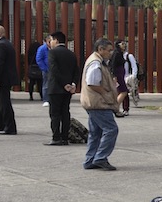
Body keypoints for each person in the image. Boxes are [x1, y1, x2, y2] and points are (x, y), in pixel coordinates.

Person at [81, 38, 120, 170]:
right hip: (99, 103)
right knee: (111, 129)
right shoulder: (96, 63)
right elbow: (92, 83)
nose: (111, 53)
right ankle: (100, 158)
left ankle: (90, 160)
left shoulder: (97, 61)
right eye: (109, 50)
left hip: (93, 103)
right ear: (100, 49)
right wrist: (105, 93)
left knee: (95, 132)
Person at [45, 31, 80, 146]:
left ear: (56, 40)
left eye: (51, 40)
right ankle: (65, 137)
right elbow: (76, 71)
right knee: (65, 112)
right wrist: (72, 84)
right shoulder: (71, 54)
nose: (50, 43)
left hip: (55, 88)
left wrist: (64, 84)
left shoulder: (52, 53)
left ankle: (56, 137)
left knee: (55, 114)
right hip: (68, 90)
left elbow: (54, 70)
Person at [110, 40, 130, 116]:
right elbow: (113, 65)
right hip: (118, 75)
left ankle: (119, 108)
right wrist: (114, 76)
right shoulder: (116, 53)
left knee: (121, 91)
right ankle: (115, 108)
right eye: (122, 44)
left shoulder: (120, 53)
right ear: (118, 45)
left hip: (121, 75)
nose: (124, 45)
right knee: (123, 91)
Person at [123, 42, 140, 108]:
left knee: (132, 90)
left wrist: (133, 76)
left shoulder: (129, 56)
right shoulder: (117, 55)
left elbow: (134, 66)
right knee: (124, 92)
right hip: (121, 77)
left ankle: (135, 100)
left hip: (128, 76)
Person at [35, 35, 50, 107]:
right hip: (46, 70)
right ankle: (46, 99)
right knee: (46, 85)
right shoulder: (42, 48)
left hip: (54, 70)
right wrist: (44, 68)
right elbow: (39, 59)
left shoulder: (54, 48)